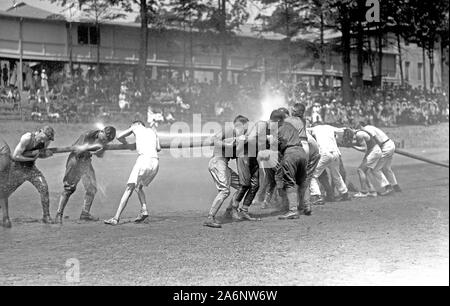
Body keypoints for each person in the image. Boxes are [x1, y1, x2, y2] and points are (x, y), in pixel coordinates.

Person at [55, 126, 116, 224]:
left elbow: (99, 155)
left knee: (91, 188)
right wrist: (94, 148)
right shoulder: (87, 135)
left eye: (107, 141)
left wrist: (101, 150)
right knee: (69, 189)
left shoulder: (103, 141)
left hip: (86, 162)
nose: (104, 141)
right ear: (101, 131)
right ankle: (59, 214)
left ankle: (85, 213)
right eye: (104, 139)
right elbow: (78, 150)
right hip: (75, 160)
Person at [104, 121, 160, 225]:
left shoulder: (136, 127)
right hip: (155, 162)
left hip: (144, 160)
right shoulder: (153, 131)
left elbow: (119, 136)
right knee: (138, 187)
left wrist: (127, 145)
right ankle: (144, 210)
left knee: (129, 188)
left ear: (137, 124)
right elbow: (159, 148)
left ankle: (116, 218)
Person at [203, 115, 247, 228]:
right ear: (240, 125)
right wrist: (228, 144)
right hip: (217, 162)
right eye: (245, 127)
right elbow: (214, 139)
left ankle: (230, 210)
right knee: (224, 191)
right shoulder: (229, 130)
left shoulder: (238, 137)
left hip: (223, 164)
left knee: (242, 186)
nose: (246, 130)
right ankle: (210, 217)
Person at [8, 126, 55, 224]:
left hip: (31, 169)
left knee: (44, 188)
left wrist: (46, 155)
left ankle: (46, 216)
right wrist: (31, 159)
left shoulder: (46, 141)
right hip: (17, 169)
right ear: (40, 131)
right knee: (5, 191)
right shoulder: (27, 138)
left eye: (48, 139)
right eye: (45, 137)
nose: (46, 140)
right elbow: (15, 156)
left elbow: (39, 154)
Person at [269, 110, 308, 220]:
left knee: (289, 182)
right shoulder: (290, 125)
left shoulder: (277, 129)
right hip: (302, 152)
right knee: (303, 181)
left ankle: (292, 210)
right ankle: (306, 206)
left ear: (276, 120)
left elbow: (276, 146)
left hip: (290, 154)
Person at [308, 124, 351, 204]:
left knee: (311, 175)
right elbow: (345, 129)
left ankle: (316, 196)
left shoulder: (314, 128)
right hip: (336, 153)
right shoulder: (329, 127)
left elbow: (305, 131)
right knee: (336, 175)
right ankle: (345, 193)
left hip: (325, 153)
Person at [357, 123, 401, 194]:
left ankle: (388, 187)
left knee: (375, 170)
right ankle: (396, 186)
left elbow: (377, 139)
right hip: (389, 144)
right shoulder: (371, 127)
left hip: (385, 146)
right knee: (386, 168)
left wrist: (377, 147)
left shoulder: (367, 129)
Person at [0, 137, 11, 228]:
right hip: (7, 158)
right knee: (2, 189)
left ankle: (5, 219)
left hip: (2, 157)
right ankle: (6, 219)